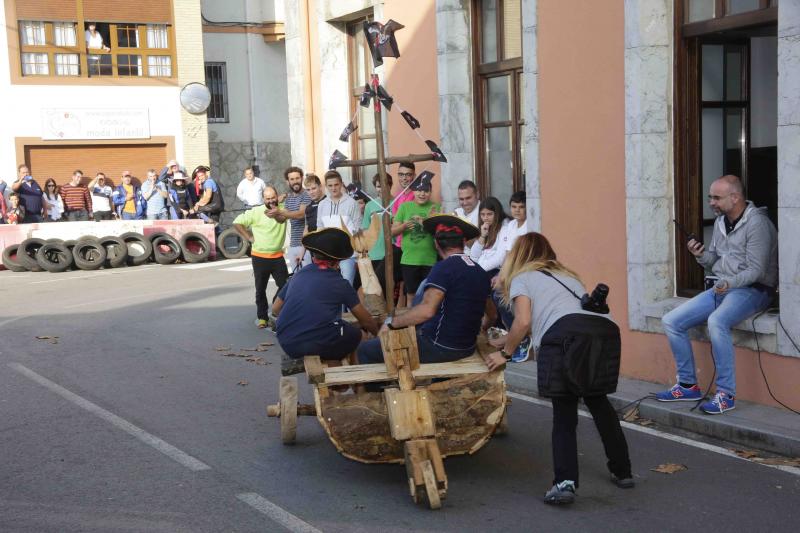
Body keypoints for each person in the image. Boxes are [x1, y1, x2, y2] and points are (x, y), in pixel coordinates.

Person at [484, 232, 633, 505]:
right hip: (603, 333)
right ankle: (622, 471)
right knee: (599, 403)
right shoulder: (569, 277)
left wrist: (505, 353)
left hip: (564, 339)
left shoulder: (522, 278)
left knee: (565, 415)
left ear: (518, 256)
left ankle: (564, 484)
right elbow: (558, 314)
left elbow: (524, 321)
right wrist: (505, 338)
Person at [656, 175, 778, 414]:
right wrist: (700, 255)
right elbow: (716, 262)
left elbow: (757, 270)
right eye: (711, 197)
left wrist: (728, 282)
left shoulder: (758, 224)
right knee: (671, 321)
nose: (711, 202)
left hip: (754, 290)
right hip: (725, 288)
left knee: (717, 321)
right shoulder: (722, 222)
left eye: (716, 197)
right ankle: (688, 385)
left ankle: (726, 394)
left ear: (735, 197)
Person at [358, 214, 490, 365]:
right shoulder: (480, 271)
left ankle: (380, 388)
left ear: (436, 244)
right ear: (464, 242)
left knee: (366, 350)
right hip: (468, 347)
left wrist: (391, 323)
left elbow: (427, 311)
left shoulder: (443, 268)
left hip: (441, 347)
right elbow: (491, 315)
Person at [277, 227, 380, 360]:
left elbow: (275, 308)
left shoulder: (299, 274)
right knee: (360, 335)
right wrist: (378, 334)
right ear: (337, 262)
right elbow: (365, 320)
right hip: (316, 343)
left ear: (314, 256)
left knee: (338, 331)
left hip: (287, 342)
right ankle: (358, 379)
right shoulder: (340, 283)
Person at [233, 186, 289, 329]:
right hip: (259, 257)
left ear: (277, 196)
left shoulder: (283, 209)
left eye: (273, 198)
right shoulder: (256, 211)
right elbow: (237, 222)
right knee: (260, 289)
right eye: (267, 198)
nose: (271, 201)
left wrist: (278, 205)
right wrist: (248, 237)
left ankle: (275, 309)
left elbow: (282, 220)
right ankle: (262, 318)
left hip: (277, 256)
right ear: (263, 199)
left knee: (286, 286)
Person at [391, 172, 440, 296]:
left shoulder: (437, 208)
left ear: (430, 192)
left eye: (426, 191)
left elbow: (440, 234)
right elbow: (391, 232)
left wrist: (429, 221)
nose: (422, 194)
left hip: (430, 260)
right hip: (409, 260)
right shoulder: (404, 207)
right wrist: (404, 225)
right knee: (411, 295)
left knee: (428, 296)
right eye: (419, 190)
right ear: (413, 191)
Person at [316, 170, 361, 285]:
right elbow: (320, 228)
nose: (333, 188)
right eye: (330, 185)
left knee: (346, 284)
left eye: (336, 185)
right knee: (328, 285)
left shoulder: (352, 203)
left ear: (341, 184)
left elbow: (357, 228)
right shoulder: (322, 204)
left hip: (348, 253)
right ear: (326, 186)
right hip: (328, 253)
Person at [361, 173, 393, 292]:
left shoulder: (398, 202)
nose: (382, 189)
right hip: (375, 253)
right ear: (375, 187)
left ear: (390, 185)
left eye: (385, 185)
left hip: (392, 251)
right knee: (378, 287)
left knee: (393, 287)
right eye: (379, 186)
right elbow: (365, 229)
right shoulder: (369, 205)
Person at [391, 162, 417, 301]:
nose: (404, 178)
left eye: (408, 174)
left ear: (414, 176)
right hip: (398, 245)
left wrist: (399, 226)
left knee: (408, 289)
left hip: (411, 248)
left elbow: (409, 224)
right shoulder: (398, 196)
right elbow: (394, 227)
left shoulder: (417, 195)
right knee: (396, 283)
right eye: (401, 174)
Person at [278, 166, 312, 268]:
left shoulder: (307, 194)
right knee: (296, 278)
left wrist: (279, 211)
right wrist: (274, 210)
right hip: (293, 244)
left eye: (297, 178)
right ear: (287, 181)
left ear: (302, 178)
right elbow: (281, 219)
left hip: (306, 245)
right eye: (292, 179)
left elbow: (301, 214)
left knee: (307, 278)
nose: (295, 181)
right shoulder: (289, 198)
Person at [469, 197, 509, 276]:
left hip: (496, 272)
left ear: (497, 213)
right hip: (482, 270)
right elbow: (473, 256)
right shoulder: (486, 228)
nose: (485, 218)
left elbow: (499, 259)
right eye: (482, 214)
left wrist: (478, 270)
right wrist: (483, 236)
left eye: (489, 214)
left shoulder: (505, 228)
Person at [453, 180, 480, 254]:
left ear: (477, 195)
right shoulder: (457, 212)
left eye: (468, 198)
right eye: (461, 199)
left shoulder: (485, 212)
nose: (465, 203)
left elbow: (481, 244)